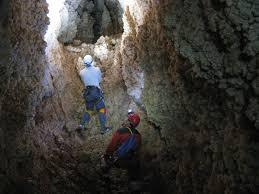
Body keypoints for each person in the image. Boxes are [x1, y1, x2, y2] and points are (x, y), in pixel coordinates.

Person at [102, 110, 142, 181]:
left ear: (129, 121)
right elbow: (137, 149)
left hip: (118, 160)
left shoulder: (121, 131)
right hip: (130, 162)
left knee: (104, 164)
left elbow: (112, 145)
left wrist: (107, 155)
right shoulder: (138, 135)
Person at [77, 54, 111, 135]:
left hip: (87, 93)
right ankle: (103, 129)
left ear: (84, 63)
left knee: (89, 110)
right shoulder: (97, 69)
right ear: (92, 61)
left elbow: (84, 81)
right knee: (101, 109)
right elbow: (99, 80)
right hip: (95, 91)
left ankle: (81, 125)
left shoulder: (81, 72)